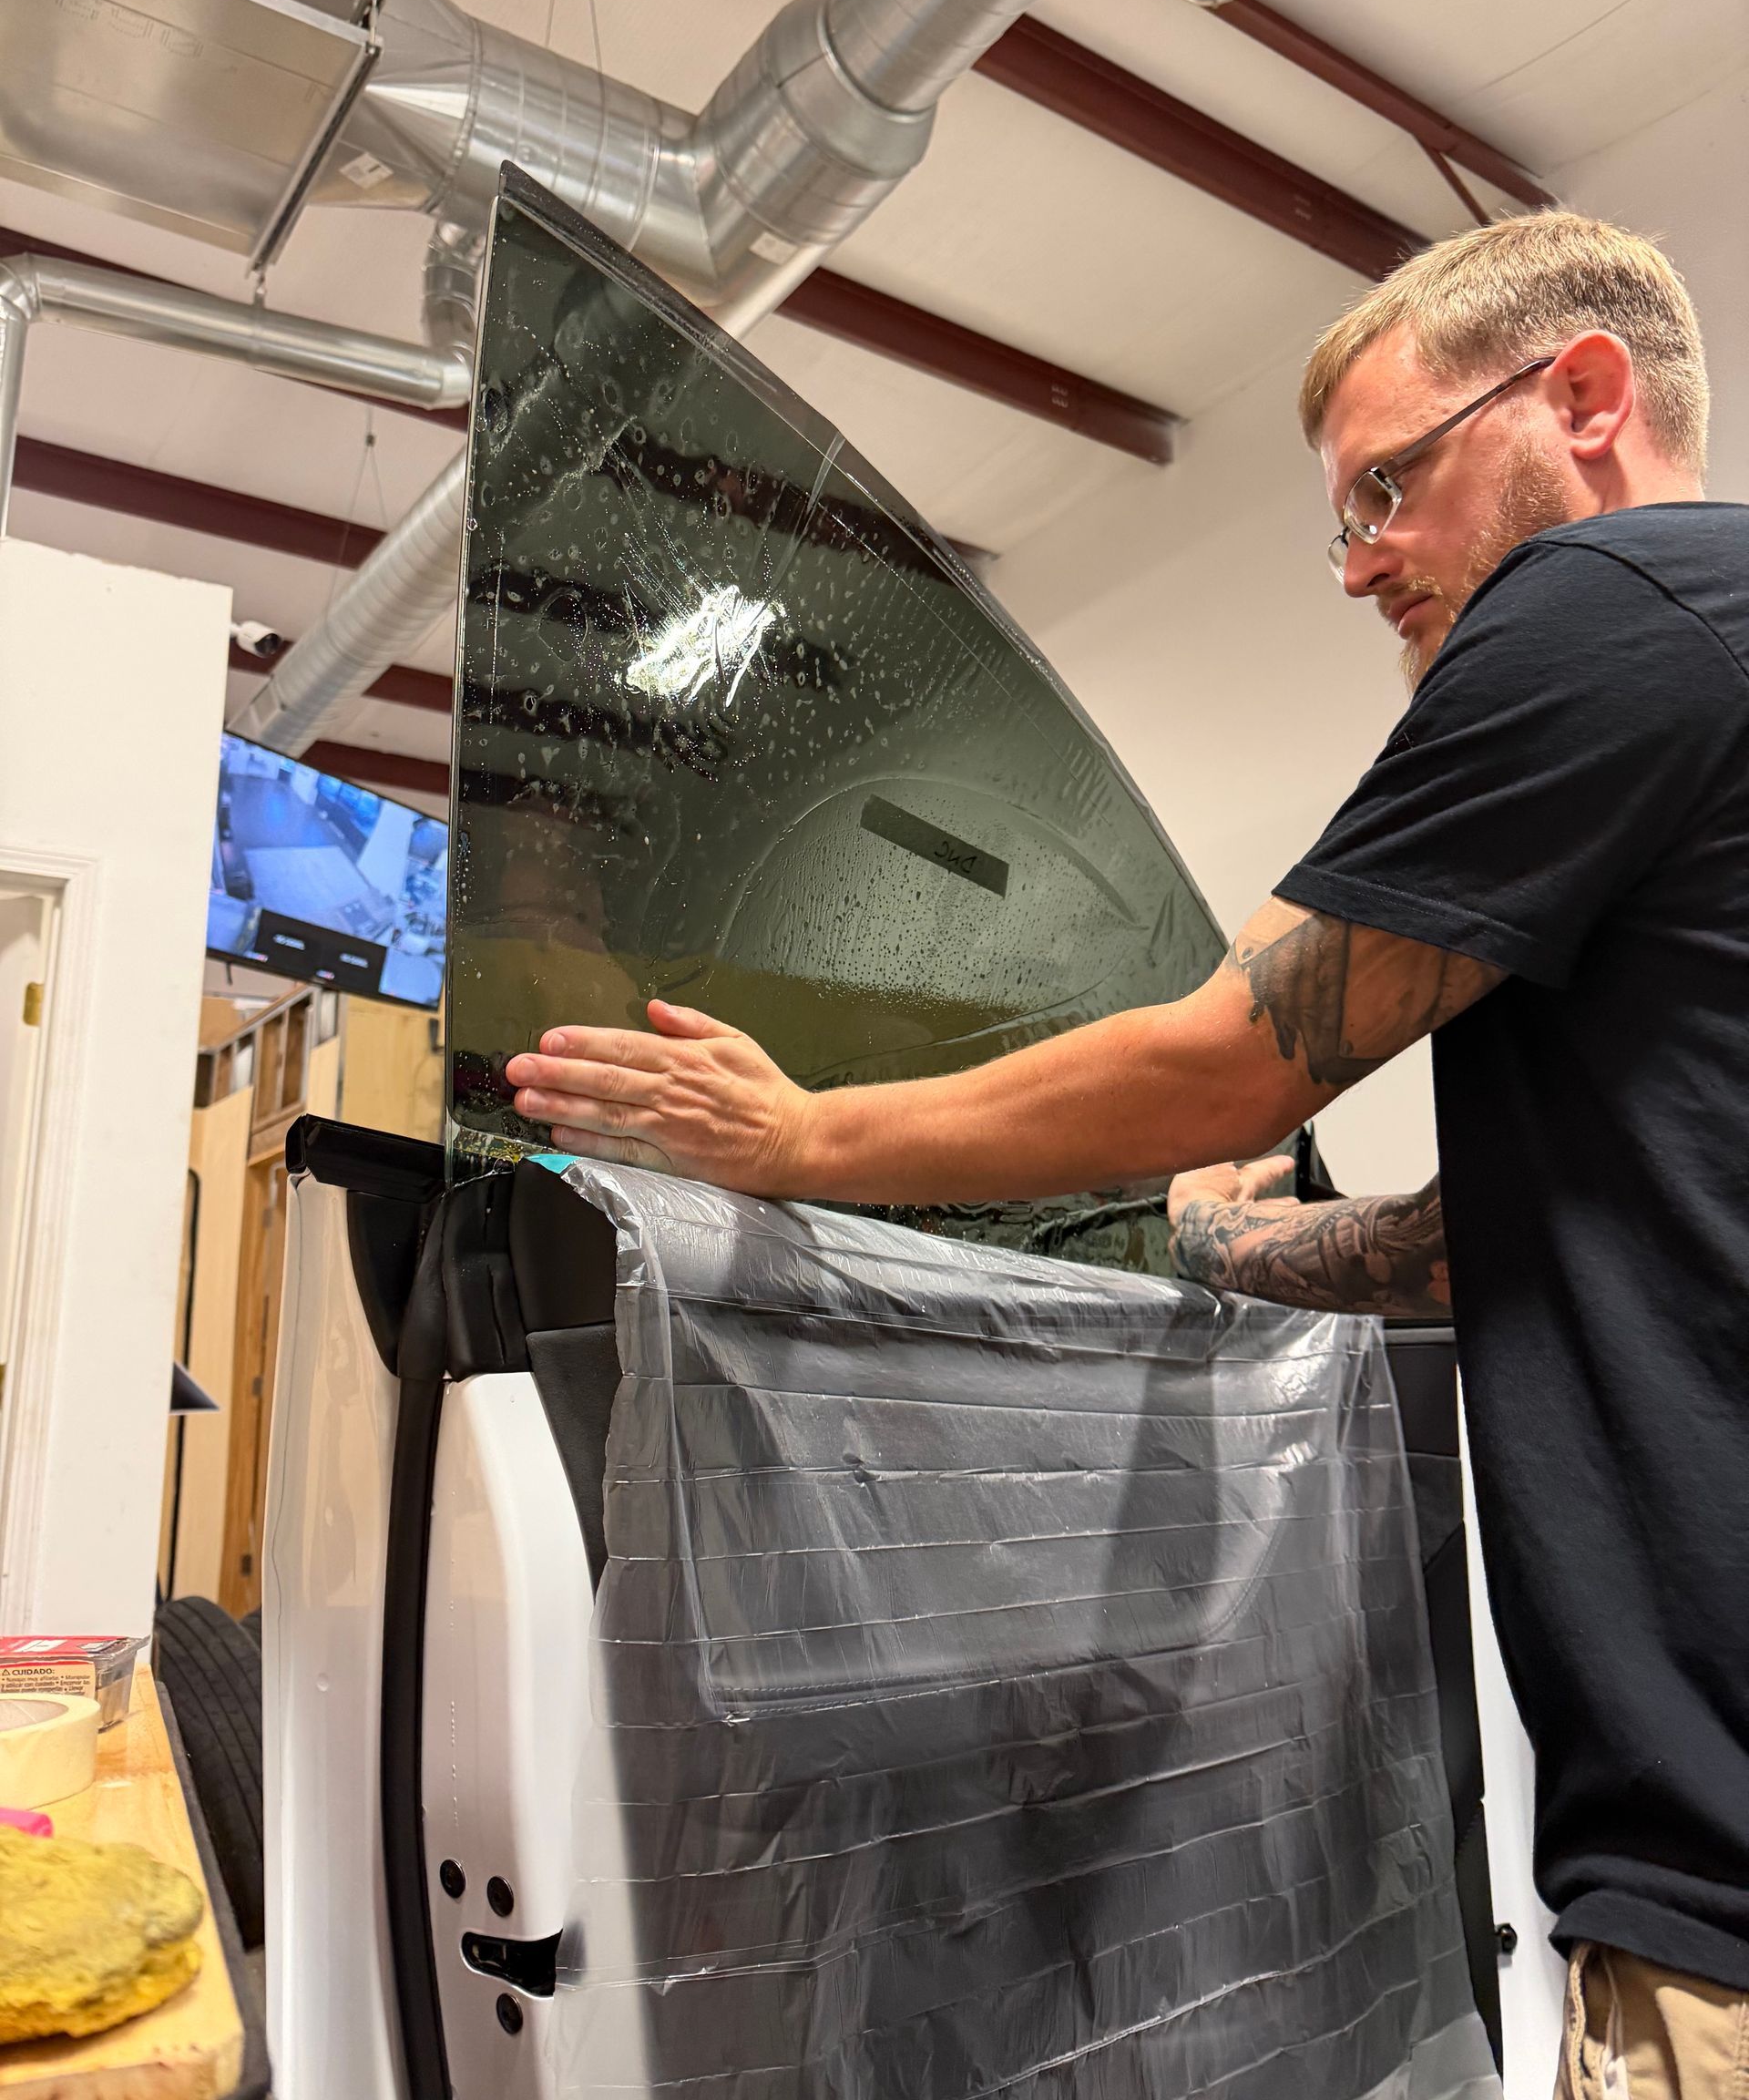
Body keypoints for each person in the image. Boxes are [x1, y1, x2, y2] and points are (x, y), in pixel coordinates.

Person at [506, 211, 1749, 2093]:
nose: (1361, 566)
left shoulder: (1607, 606)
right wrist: (1213, 1254)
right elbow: (1525, 1226)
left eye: (1387, 489)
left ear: (1582, 397)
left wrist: (798, 1134)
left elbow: (1235, 1061)